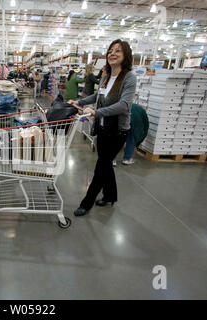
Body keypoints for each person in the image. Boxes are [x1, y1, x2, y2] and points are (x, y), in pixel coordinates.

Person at [68, 39, 136, 216]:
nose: (112, 54)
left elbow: (125, 105)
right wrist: (79, 101)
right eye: (110, 50)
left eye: (118, 51)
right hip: (103, 128)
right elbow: (97, 96)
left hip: (118, 131)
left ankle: (86, 203)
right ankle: (110, 196)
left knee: (101, 166)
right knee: (105, 163)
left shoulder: (129, 77)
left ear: (125, 55)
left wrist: (96, 113)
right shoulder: (106, 77)